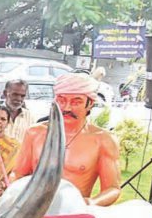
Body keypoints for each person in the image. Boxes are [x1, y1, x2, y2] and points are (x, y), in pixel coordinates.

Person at [12, 73, 120, 206]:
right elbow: (18, 174)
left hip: (72, 216)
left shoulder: (103, 140)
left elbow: (112, 189)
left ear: (90, 103)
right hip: (33, 209)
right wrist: (11, 191)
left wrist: (90, 203)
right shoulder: (35, 133)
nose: (67, 108)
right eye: (62, 101)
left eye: (76, 102)